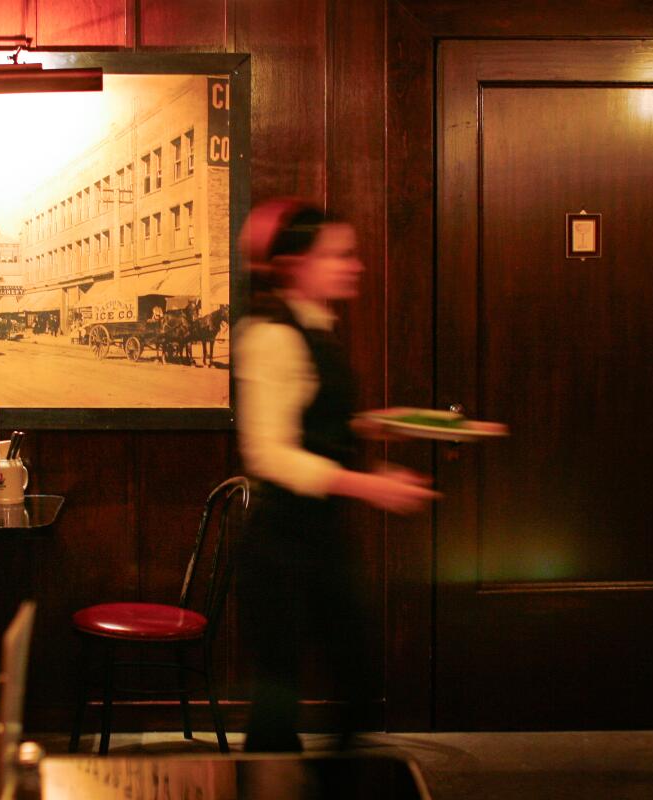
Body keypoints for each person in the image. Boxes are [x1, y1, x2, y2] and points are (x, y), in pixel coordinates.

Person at [234, 198, 438, 752]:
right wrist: (369, 485)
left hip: (316, 540)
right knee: (280, 705)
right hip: (280, 548)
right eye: (340, 255)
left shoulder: (314, 327)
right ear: (296, 263)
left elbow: (316, 422)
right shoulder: (271, 335)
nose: (356, 266)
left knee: (351, 678)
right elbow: (270, 453)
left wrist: (378, 424)